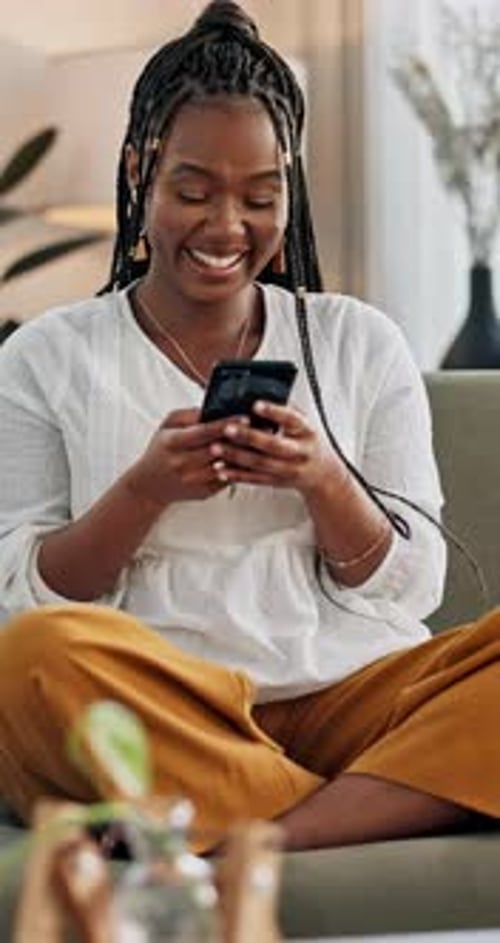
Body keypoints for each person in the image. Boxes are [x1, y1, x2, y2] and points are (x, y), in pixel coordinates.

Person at [0, 0, 497, 855]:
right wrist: (144, 491)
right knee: (30, 661)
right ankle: (363, 811)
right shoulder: (47, 355)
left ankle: (245, 835)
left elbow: (412, 588)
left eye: (261, 197)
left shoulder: (357, 339)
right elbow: (21, 591)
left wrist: (323, 481)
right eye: (192, 191)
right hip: (160, 702)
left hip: (355, 697)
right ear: (136, 175)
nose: (227, 227)